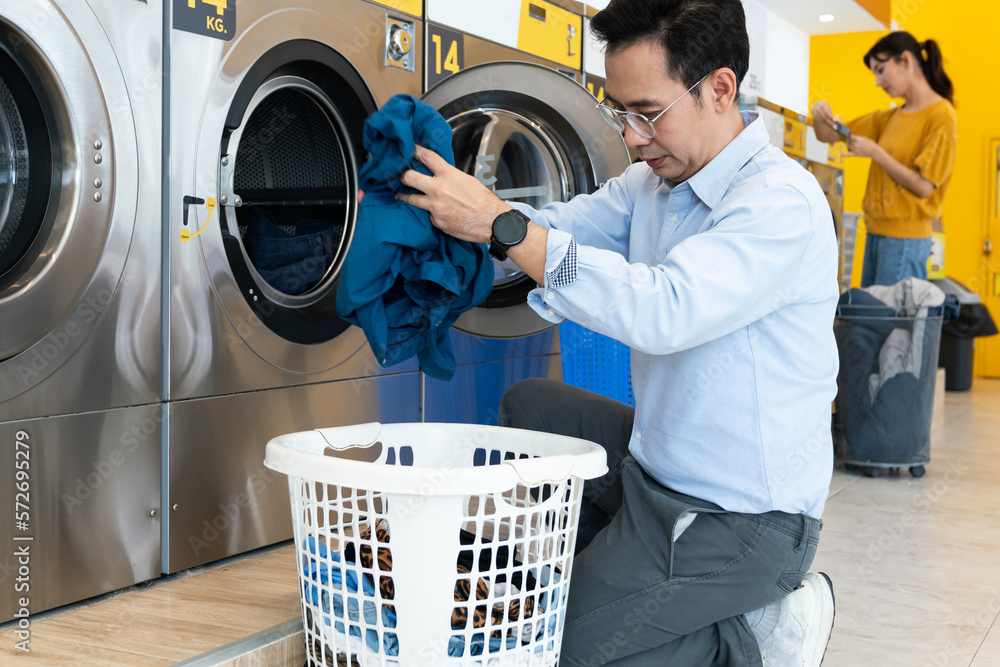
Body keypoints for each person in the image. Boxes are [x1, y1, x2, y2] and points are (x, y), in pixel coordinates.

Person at [397, 0, 838, 664]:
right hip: (653, 467)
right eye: (619, 112)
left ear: (720, 89)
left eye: (648, 112)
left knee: (567, 651)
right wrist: (450, 222)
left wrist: (504, 225)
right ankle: (623, 575)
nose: (632, 137)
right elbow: (562, 230)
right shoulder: (649, 186)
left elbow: (666, 310)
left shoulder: (779, 203)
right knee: (529, 408)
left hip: (741, 520)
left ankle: (766, 631)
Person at [812, 31, 958, 287]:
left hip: (906, 242)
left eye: (881, 69)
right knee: (874, 323)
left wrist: (876, 152)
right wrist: (819, 110)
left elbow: (924, 186)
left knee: (889, 325)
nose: (878, 82)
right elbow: (826, 134)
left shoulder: (942, 115)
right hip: (875, 234)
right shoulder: (888, 118)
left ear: (905, 60)